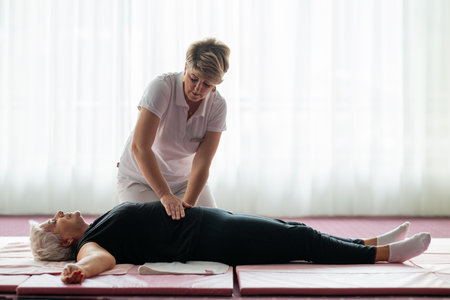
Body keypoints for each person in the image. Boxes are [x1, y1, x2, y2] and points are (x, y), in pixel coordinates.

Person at [29, 201, 431, 284]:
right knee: (300, 240)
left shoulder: (99, 225)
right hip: (210, 237)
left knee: (292, 229)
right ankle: (382, 255)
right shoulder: (88, 245)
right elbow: (99, 261)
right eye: (53, 219)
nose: (60, 209)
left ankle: (366, 240)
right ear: (64, 239)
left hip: (211, 221)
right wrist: (79, 269)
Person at [117, 38, 230, 220]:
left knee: (211, 226)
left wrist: (189, 204)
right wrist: (165, 195)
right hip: (139, 180)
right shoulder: (161, 87)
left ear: (215, 84)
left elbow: (202, 161)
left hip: (184, 181)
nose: (197, 89)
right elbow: (140, 147)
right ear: (186, 68)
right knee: (153, 231)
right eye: (194, 78)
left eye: (207, 84)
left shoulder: (217, 105)